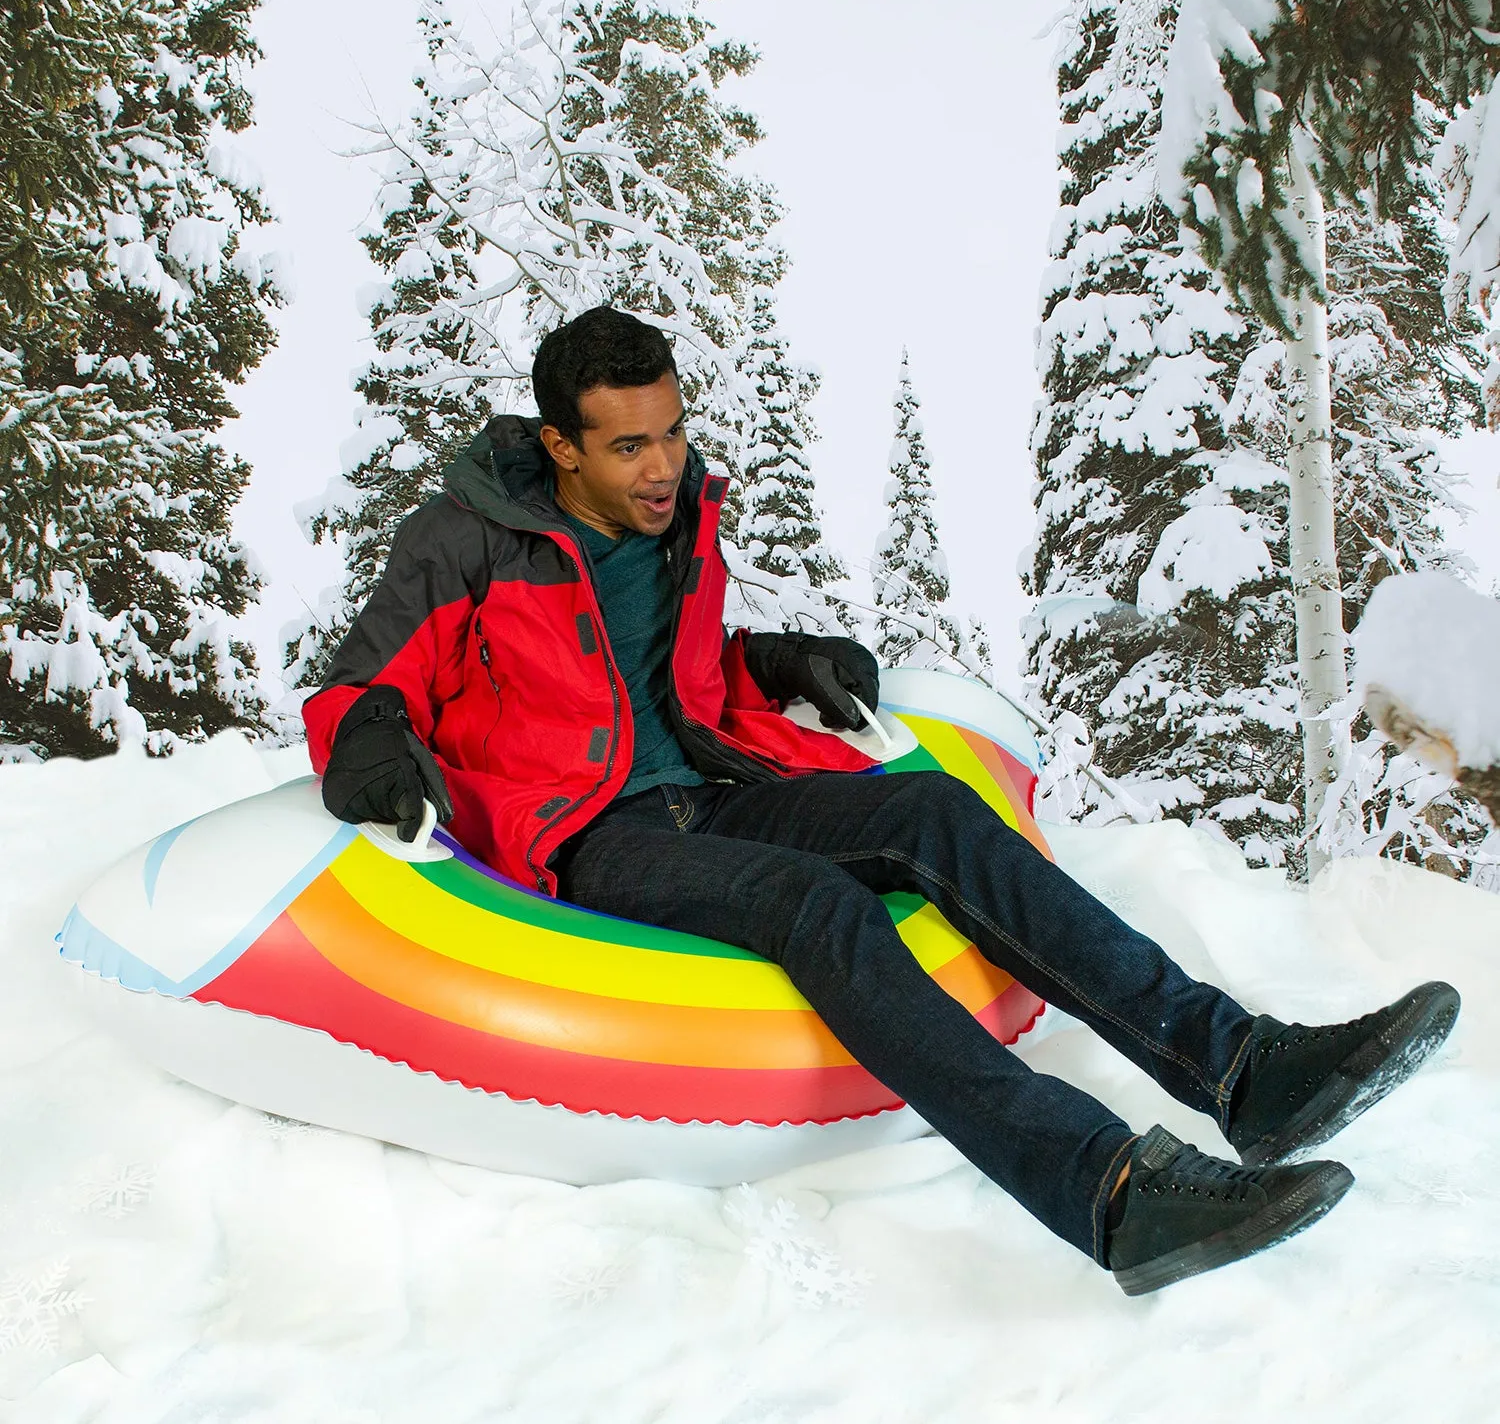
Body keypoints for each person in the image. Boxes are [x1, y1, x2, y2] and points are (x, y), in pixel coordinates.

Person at [302, 306, 1460, 1295]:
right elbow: (361, 682)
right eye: (626, 448)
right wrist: (366, 745)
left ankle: (1248, 1071)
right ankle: (1107, 1195)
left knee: (939, 817)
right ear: (559, 444)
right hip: (587, 835)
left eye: (671, 434)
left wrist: (774, 663)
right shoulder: (465, 544)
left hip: (715, 791)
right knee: (814, 905)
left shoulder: (676, 517)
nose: (661, 469)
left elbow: (658, 668)